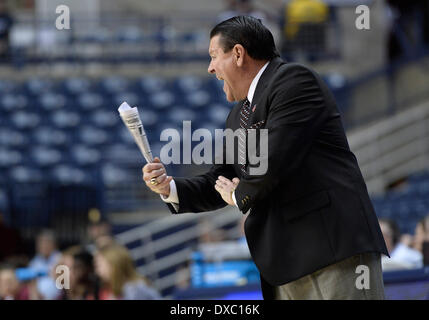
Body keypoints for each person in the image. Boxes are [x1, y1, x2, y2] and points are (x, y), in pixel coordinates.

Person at [142, 16, 388, 300]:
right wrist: (169, 189)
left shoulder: (294, 80)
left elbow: (274, 158)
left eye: (213, 56)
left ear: (237, 54)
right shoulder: (237, 115)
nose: (210, 68)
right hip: (283, 262)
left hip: (331, 248)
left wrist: (238, 196)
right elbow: (220, 179)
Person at [94, 244, 161, 300]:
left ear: (113, 265)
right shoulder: (117, 289)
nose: (97, 271)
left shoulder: (135, 289)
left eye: (99, 265)